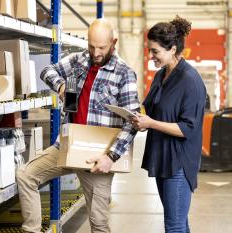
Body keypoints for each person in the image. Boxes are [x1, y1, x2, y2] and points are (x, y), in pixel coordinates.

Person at [16, 18, 140, 233]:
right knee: (26, 175)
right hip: (67, 146)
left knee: (98, 223)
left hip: (98, 156)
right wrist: (62, 85)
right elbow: (47, 70)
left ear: (114, 42)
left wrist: (110, 157)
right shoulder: (78, 60)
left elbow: (132, 122)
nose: (95, 52)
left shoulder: (124, 73)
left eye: (101, 47)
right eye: (91, 46)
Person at [131, 16, 206, 233]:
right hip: (162, 157)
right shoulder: (161, 75)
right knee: (179, 223)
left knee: (173, 226)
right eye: (150, 50)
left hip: (178, 163)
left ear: (172, 49)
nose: (151, 55)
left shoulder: (190, 81)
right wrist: (139, 119)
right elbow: (149, 107)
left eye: (155, 51)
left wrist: (151, 123)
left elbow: (187, 129)